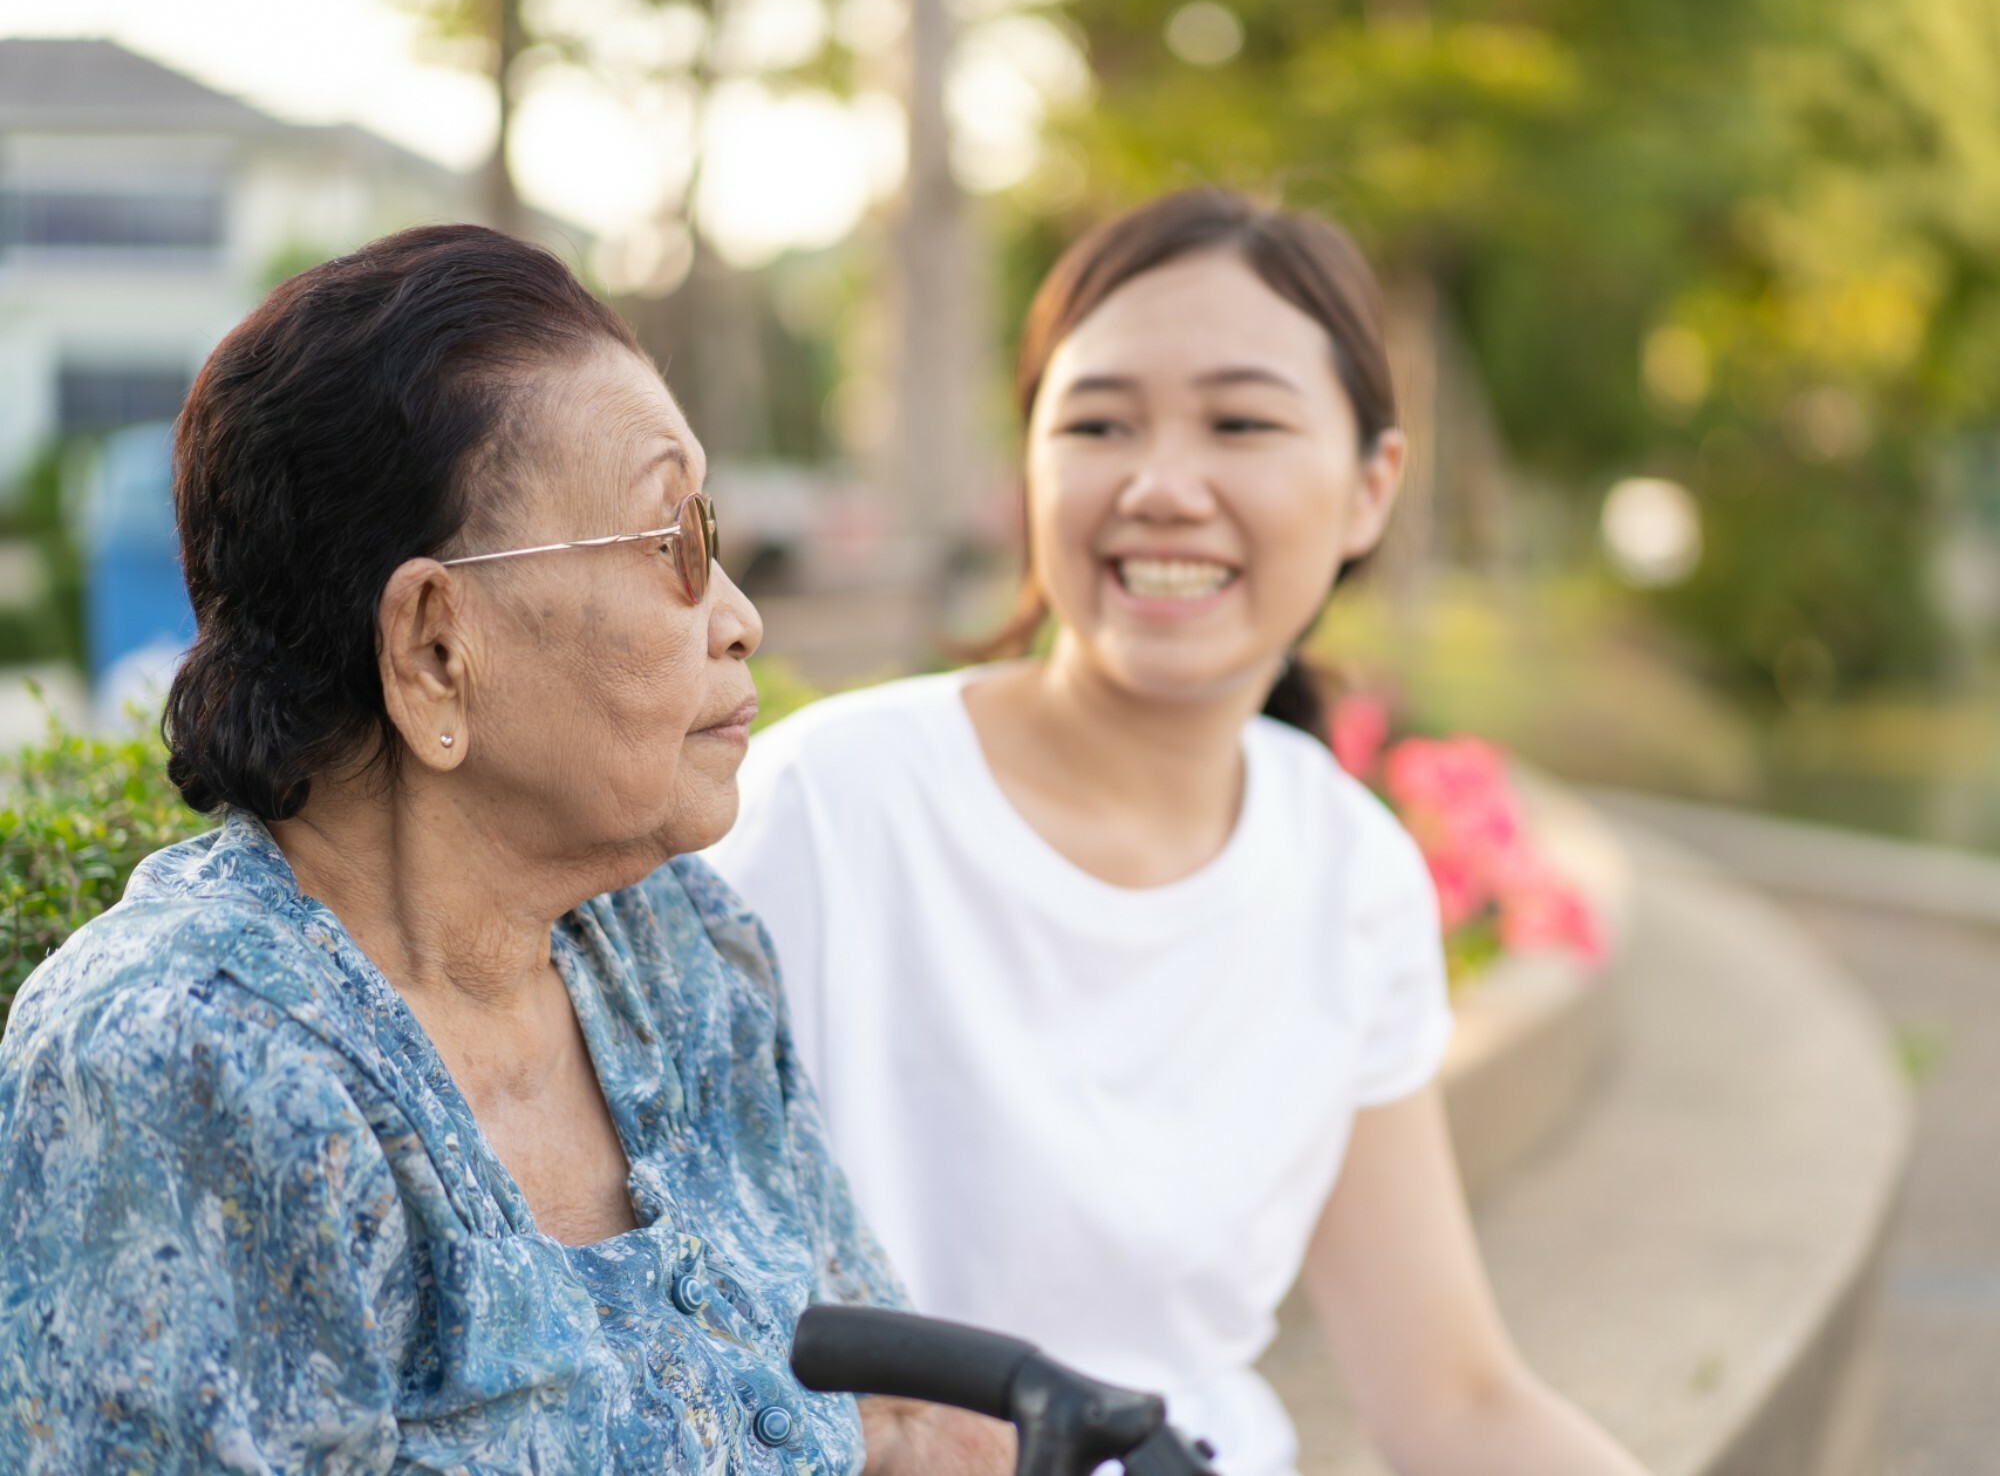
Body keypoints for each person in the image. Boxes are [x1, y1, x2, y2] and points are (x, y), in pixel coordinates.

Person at [0, 225, 1008, 1476]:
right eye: (672, 545)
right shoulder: (182, 1060)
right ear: (434, 643)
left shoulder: (673, 943)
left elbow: (901, 1415)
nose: (739, 619)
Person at [707, 190, 1649, 1476]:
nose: (1158, 486)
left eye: (1240, 422)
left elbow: (1454, 1400)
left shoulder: (1345, 869)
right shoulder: (826, 804)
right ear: (1028, 470)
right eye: (1096, 422)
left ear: (1371, 488)